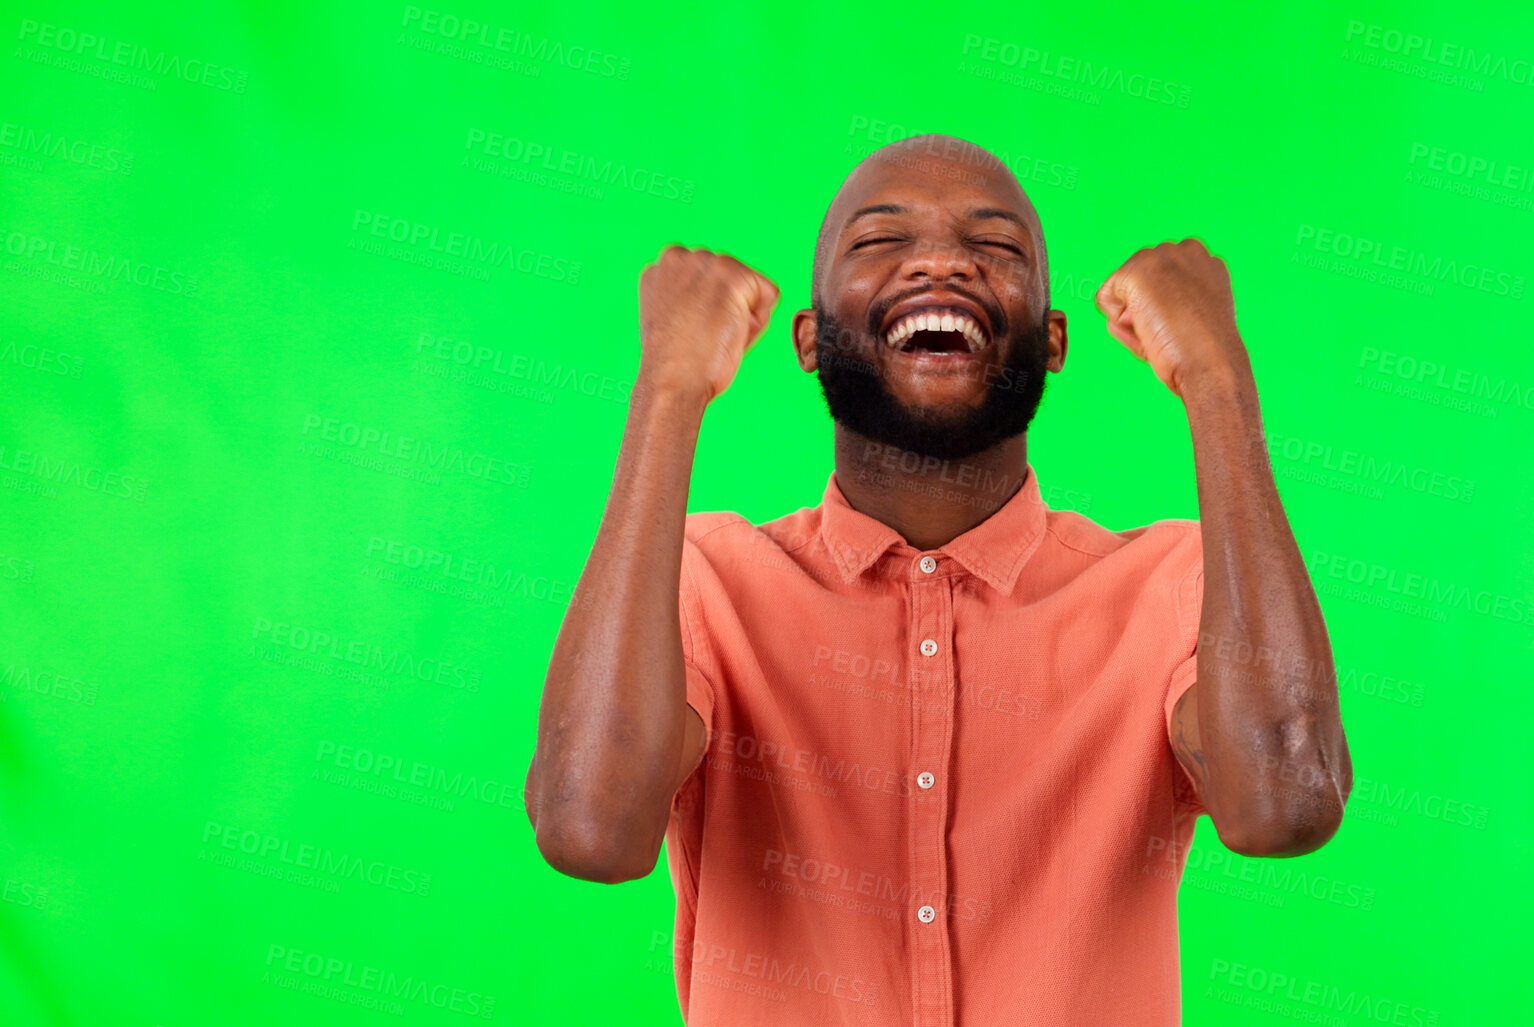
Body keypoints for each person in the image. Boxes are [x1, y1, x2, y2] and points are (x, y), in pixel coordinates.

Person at [525, 133, 1352, 1026]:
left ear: (1053, 342)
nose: (941, 264)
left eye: (994, 248)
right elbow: (590, 828)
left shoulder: (1174, 586)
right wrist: (668, 391)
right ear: (808, 338)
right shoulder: (700, 583)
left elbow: (1284, 804)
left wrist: (1217, 381)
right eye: (880, 241)